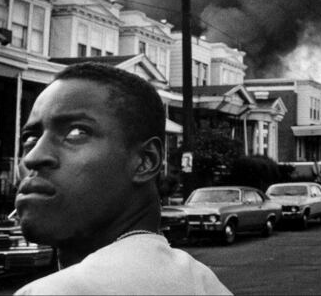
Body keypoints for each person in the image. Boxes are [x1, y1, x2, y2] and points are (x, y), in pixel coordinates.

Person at [13, 63, 231, 295]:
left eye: (76, 133)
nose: (33, 157)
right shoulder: (207, 285)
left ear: (145, 160)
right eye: (30, 138)